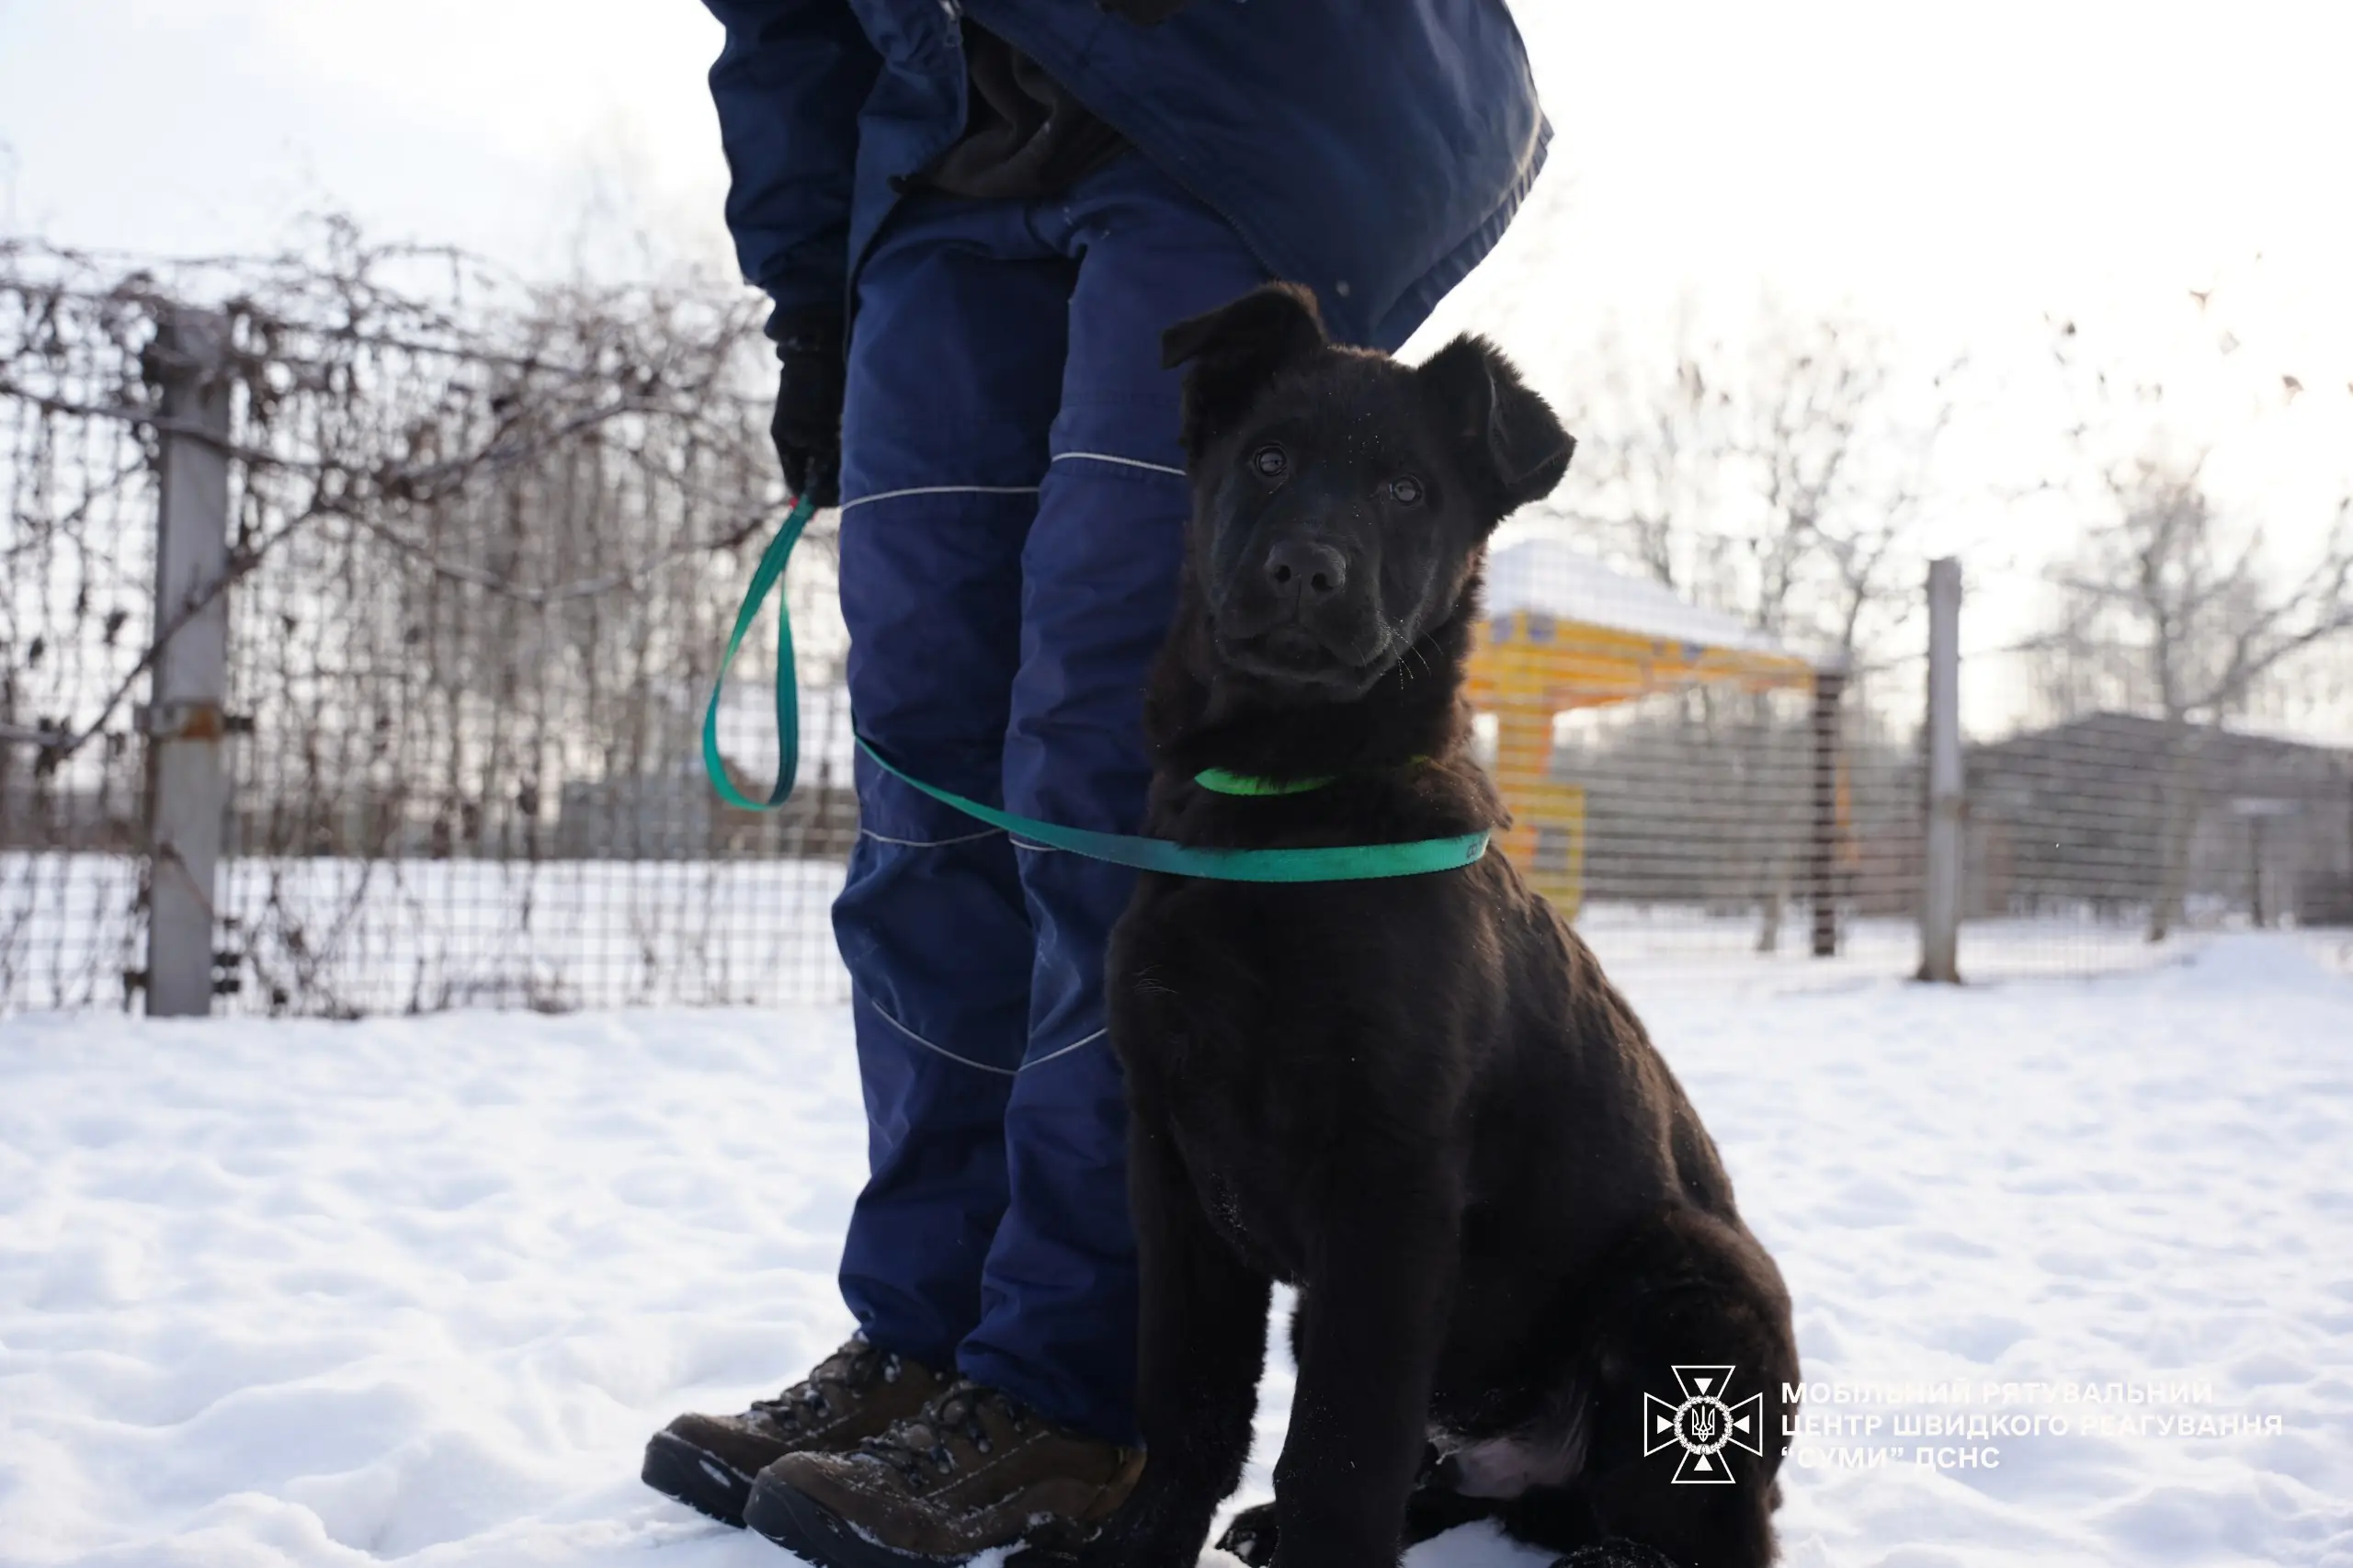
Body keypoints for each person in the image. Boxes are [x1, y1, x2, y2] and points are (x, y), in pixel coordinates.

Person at [643, 3, 1549, 1561]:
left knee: (1095, 763)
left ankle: (1071, 1381)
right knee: (926, 772)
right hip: (931, 162)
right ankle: (922, 1338)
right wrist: (810, 294)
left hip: (1234, 113)